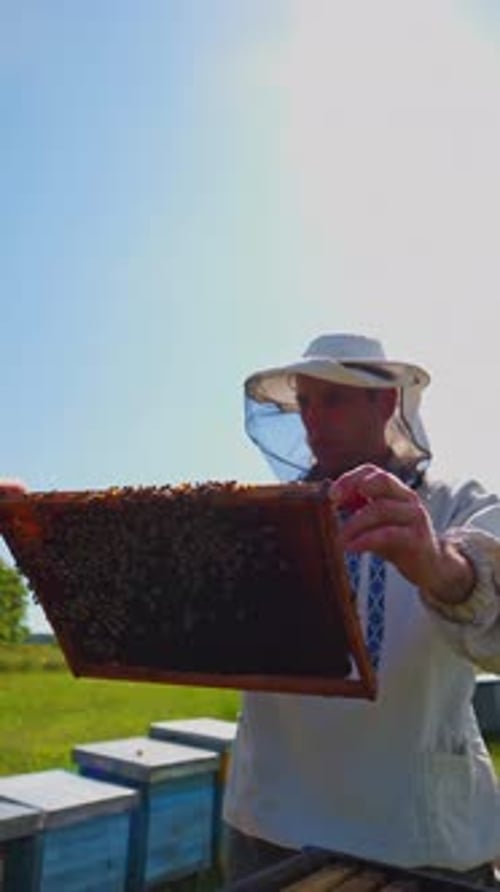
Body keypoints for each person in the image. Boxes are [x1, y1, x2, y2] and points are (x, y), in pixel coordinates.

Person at [222, 333, 500, 886]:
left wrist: (441, 568)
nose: (313, 420)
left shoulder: (457, 504)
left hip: (417, 835)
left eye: (333, 399)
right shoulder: (262, 521)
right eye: (304, 402)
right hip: (271, 818)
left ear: (387, 402)